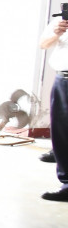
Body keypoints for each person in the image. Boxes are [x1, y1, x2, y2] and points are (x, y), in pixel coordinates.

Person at [39, 14, 68, 201]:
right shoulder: (60, 21)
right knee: (61, 132)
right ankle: (66, 182)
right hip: (63, 79)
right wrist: (56, 33)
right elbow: (43, 43)